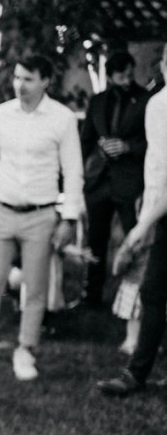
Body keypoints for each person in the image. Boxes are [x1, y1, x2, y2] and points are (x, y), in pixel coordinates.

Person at [0, 54, 84, 382]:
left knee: (35, 287)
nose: (19, 85)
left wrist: (69, 218)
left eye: (28, 79)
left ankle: (25, 350)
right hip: (1, 212)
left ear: (45, 81)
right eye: (17, 78)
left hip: (41, 215)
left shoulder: (62, 118)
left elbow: (73, 170)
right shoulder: (1, 114)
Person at [98, 42, 167, 396]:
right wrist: (148, 204)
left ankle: (136, 374)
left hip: (160, 213)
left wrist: (141, 227)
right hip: (160, 211)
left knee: (153, 290)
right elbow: (158, 168)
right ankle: (136, 374)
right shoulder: (158, 103)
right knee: (153, 291)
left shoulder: (159, 105)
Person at [79, 49, 148, 306]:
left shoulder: (146, 100)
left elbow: (155, 142)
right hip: (99, 181)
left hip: (131, 181)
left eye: (130, 74)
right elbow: (86, 140)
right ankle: (91, 294)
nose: (127, 80)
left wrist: (128, 147)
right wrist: (98, 151)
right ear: (109, 77)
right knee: (96, 239)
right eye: (121, 76)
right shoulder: (98, 101)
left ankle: (134, 296)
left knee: (134, 238)